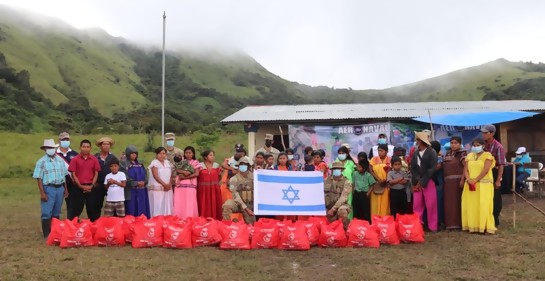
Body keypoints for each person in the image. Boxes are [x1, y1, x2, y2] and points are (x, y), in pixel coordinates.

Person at [33, 139, 69, 238]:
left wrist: (65, 189)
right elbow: (39, 178)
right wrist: (42, 193)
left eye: (52, 148)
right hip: (48, 187)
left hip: (59, 187)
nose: (51, 150)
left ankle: (55, 232)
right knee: (46, 212)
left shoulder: (60, 160)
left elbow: (64, 176)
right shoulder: (41, 162)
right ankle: (46, 233)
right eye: (48, 148)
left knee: (56, 211)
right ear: (45, 149)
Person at [462, 138, 496, 234]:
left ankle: (484, 226)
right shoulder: (469, 156)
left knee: (484, 205)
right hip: (470, 184)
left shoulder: (487, 156)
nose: (475, 147)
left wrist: (476, 180)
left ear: (483, 146)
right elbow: (465, 169)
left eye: (478, 145)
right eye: (474, 145)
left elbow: (485, 170)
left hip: (483, 185)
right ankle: (472, 226)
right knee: (471, 205)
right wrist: (468, 179)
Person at [410, 131, 439, 232]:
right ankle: (418, 225)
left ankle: (432, 226)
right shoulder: (415, 153)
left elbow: (432, 168)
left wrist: (422, 181)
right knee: (417, 204)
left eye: (417, 140)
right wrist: (417, 181)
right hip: (417, 181)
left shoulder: (432, 152)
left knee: (431, 204)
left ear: (421, 141)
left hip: (429, 181)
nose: (416, 141)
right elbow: (412, 168)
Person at [68, 140, 102, 221]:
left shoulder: (94, 159)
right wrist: (80, 186)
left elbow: (96, 173)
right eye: (84, 147)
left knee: (93, 210)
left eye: (87, 147)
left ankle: (93, 229)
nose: (85, 149)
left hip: (91, 187)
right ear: (80, 148)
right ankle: (73, 229)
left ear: (90, 148)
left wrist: (92, 185)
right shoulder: (75, 159)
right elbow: (73, 174)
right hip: (78, 188)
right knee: (75, 210)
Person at [481, 124, 506, 227]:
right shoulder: (483, 145)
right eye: (482, 132)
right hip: (483, 173)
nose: (483, 135)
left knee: (495, 197)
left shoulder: (498, 147)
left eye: (485, 133)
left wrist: (498, 180)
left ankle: (495, 218)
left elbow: (501, 165)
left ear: (492, 133)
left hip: (494, 172)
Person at [442, 136, 466, 231]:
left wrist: (462, 179)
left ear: (460, 144)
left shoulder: (462, 154)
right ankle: (450, 224)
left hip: (458, 181)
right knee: (449, 203)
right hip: (448, 182)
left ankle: (459, 224)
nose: (453, 145)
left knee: (457, 202)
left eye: (456, 143)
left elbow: (466, 167)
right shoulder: (448, 153)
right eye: (452, 143)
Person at [222, 157, 255, 224]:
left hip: (250, 204)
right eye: (241, 164)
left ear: (248, 166)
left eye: (245, 164)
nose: (243, 166)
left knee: (251, 225)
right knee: (227, 205)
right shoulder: (233, 179)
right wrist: (246, 208)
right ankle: (227, 225)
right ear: (238, 166)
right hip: (239, 203)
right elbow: (235, 195)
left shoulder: (254, 177)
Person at [120, 145, 150, 218]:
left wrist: (144, 182)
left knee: (142, 209)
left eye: (135, 153)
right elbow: (124, 177)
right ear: (128, 154)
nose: (134, 155)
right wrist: (136, 183)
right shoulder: (123, 163)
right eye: (132, 153)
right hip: (131, 191)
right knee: (131, 209)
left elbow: (145, 174)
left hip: (141, 191)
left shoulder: (140, 163)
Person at [55, 132, 78, 220]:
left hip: (72, 183)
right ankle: (55, 226)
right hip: (59, 183)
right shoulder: (54, 154)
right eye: (63, 139)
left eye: (67, 139)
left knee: (72, 205)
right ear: (59, 140)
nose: (65, 141)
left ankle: (72, 224)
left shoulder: (75, 154)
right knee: (56, 206)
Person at [174, 146, 201, 219]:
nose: (188, 154)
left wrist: (185, 177)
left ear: (193, 154)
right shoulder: (181, 161)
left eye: (190, 153)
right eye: (186, 153)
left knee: (189, 203)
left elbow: (196, 174)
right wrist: (184, 172)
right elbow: (177, 170)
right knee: (180, 203)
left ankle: (190, 220)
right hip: (180, 186)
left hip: (190, 186)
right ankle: (179, 219)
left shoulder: (195, 162)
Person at [95, 137, 118, 220]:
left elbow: (117, 171)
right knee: (96, 206)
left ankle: (113, 224)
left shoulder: (113, 158)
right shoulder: (95, 158)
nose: (106, 146)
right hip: (98, 185)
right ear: (100, 146)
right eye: (104, 144)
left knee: (113, 206)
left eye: (108, 144)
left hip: (111, 185)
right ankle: (96, 224)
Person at [324, 161, 352, 228]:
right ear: (332, 170)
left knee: (342, 211)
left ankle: (345, 230)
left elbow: (343, 197)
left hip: (340, 206)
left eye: (338, 169)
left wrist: (333, 209)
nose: (336, 170)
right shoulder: (326, 180)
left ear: (342, 170)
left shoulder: (347, 182)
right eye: (335, 169)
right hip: (327, 205)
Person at [147, 147, 173, 217]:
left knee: (166, 205)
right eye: (160, 153)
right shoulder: (154, 163)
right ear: (156, 154)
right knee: (158, 206)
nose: (162, 155)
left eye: (164, 153)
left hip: (167, 188)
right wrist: (164, 185)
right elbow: (156, 176)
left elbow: (171, 175)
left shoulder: (168, 163)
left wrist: (169, 185)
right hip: (157, 189)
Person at [198, 149, 223, 220]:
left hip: (214, 189)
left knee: (215, 204)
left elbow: (219, 177)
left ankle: (215, 221)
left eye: (213, 155)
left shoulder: (216, 165)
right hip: (203, 190)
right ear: (205, 157)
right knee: (203, 204)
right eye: (211, 155)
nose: (213, 157)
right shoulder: (200, 166)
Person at [370, 144, 391, 216]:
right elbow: (370, 170)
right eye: (378, 151)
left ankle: (385, 220)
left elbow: (391, 171)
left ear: (386, 152)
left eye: (381, 151)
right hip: (376, 184)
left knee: (385, 203)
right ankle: (375, 220)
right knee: (375, 203)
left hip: (386, 184)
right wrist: (379, 180)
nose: (379, 152)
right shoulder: (374, 159)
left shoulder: (390, 159)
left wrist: (385, 180)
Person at [430, 140, 445, 228]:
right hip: (432, 183)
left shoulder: (440, 159)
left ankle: (439, 221)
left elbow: (435, 168)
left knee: (438, 203)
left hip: (438, 183)